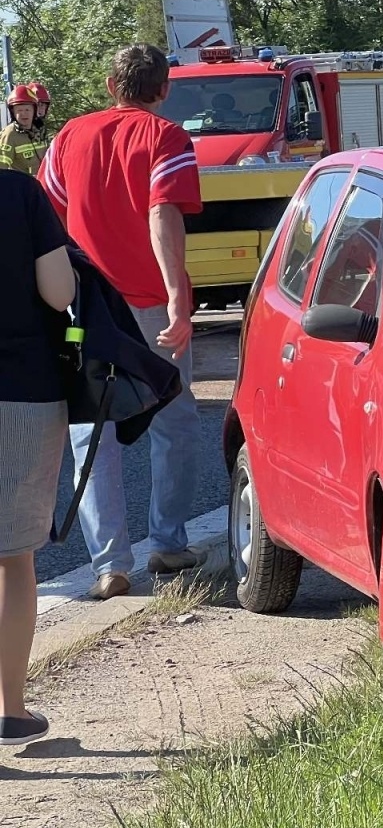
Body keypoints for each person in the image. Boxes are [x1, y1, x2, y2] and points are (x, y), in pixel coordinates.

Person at [39, 44, 204, 600]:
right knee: (174, 419)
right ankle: (168, 540)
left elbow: (48, 220)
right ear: (163, 90)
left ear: (112, 85)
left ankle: (110, 563)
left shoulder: (66, 138)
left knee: (91, 427)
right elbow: (163, 215)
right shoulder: (169, 139)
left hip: (85, 306)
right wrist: (178, 297)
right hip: (148, 303)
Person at [0, 169, 76, 744]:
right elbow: (59, 293)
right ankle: (11, 710)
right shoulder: (20, 193)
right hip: (23, 390)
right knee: (13, 560)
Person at [0, 83, 53, 176]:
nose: (24, 114)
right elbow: (2, 169)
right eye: (19, 111)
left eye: (27, 110)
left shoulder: (39, 131)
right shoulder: (10, 134)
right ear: (13, 113)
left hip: (42, 186)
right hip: (23, 188)